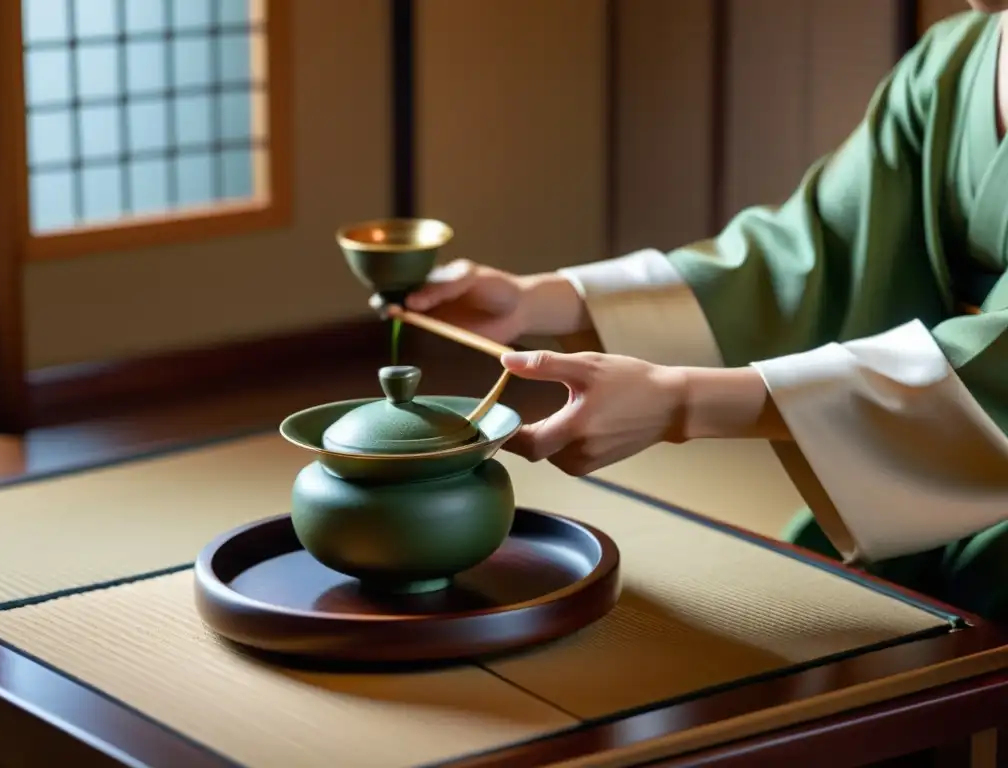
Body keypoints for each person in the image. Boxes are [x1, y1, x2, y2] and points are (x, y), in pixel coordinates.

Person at [376, 4, 1008, 622]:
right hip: (926, 470)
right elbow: (809, 251)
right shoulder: (951, 62)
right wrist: (533, 300)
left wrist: (679, 403)